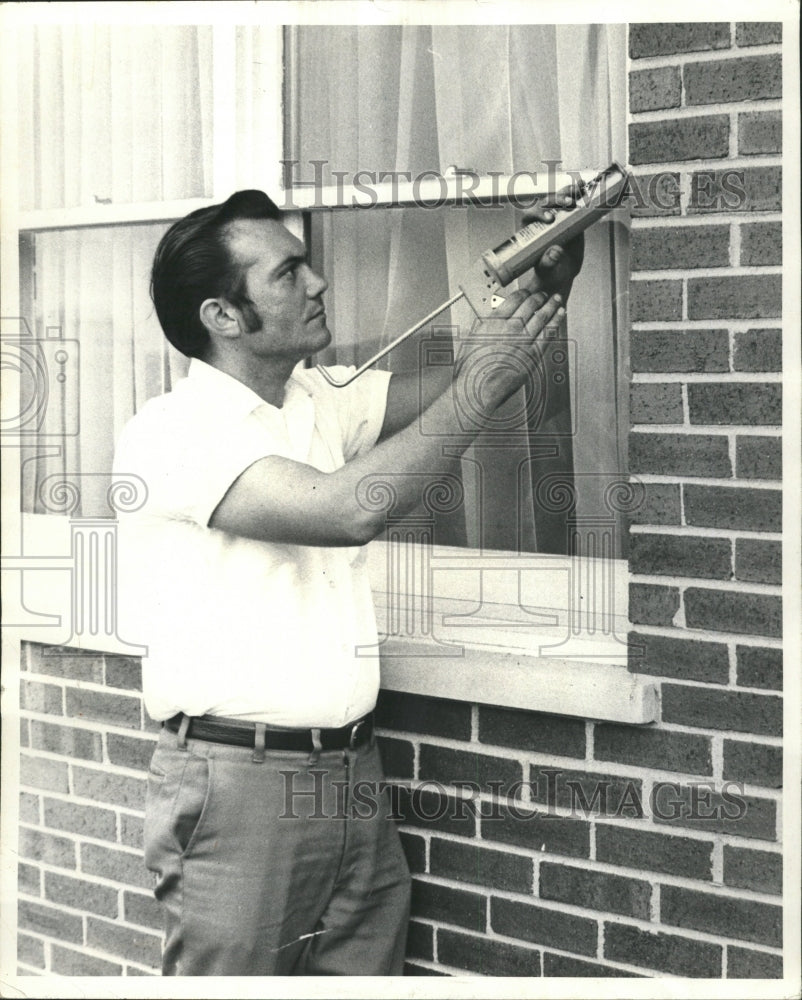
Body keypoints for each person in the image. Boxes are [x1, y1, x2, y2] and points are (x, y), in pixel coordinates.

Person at [113, 187, 583, 976]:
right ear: (222, 317)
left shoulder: (320, 398)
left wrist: (542, 271)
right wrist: (474, 388)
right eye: (288, 273)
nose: (319, 283)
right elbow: (346, 509)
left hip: (352, 776)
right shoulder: (171, 433)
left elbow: (475, 377)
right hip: (239, 787)